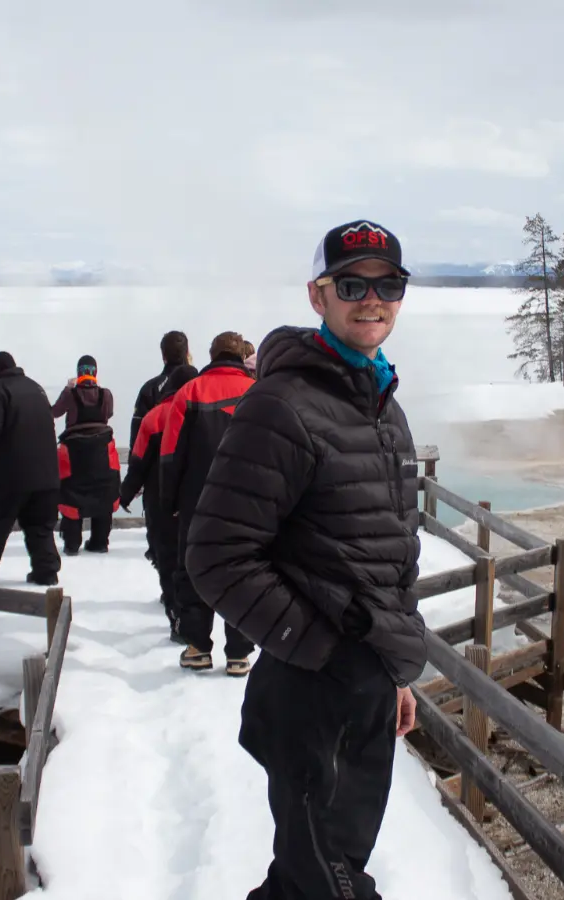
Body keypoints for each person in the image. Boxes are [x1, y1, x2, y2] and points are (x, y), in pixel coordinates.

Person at [183, 219, 423, 900]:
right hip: (314, 694)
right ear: (318, 296)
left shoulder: (381, 406)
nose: (372, 298)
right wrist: (321, 649)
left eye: (389, 284)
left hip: (365, 684)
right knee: (335, 885)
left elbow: (388, 552)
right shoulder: (282, 405)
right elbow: (216, 554)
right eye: (352, 284)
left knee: (308, 877)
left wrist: (394, 671)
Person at [158, 331, 258, 675]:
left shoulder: (189, 392)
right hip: (250, 505)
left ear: (212, 355)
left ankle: (198, 646)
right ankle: (240, 653)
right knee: (244, 571)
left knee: (193, 570)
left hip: (196, 502)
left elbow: (170, 455)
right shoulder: (259, 393)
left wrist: (168, 500)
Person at [0, 351, 62, 587]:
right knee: (40, 526)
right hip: (47, 474)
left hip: (11, 474)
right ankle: (46, 571)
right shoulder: (37, 389)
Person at [119, 362, 198, 642]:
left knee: (168, 560)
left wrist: (125, 494)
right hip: (197, 501)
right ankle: (195, 621)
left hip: (159, 501)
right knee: (193, 561)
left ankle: (177, 619)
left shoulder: (153, 417)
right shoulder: (203, 412)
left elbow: (138, 462)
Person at [51, 355, 119, 554]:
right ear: (95, 372)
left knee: (72, 493)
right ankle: (99, 542)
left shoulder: (70, 394)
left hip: (74, 452)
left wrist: (67, 388)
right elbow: (109, 415)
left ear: (78, 372)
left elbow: (54, 412)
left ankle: (72, 544)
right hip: (101, 450)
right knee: (103, 492)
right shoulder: (106, 394)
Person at [129, 330, 191, 450]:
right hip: (194, 464)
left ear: (163, 355)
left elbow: (136, 439)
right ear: (187, 353)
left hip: (157, 464)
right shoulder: (197, 386)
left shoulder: (149, 389)